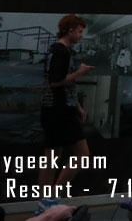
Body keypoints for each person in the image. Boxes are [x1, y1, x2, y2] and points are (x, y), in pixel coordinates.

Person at [36, 15, 94, 215]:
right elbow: (56, 81)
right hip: (59, 111)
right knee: (81, 154)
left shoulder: (59, 50)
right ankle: (51, 197)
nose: (81, 35)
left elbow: (61, 84)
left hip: (55, 109)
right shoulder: (61, 51)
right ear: (70, 31)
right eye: (79, 31)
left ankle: (45, 205)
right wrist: (81, 72)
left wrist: (77, 105)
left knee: (52, 157)